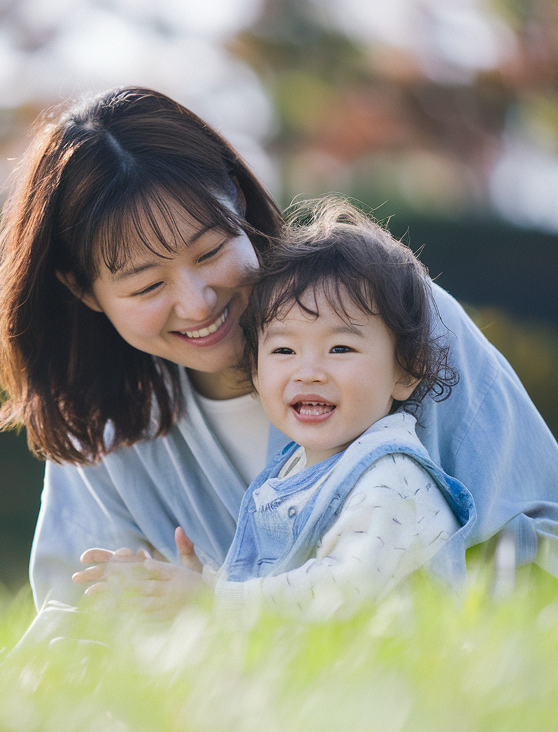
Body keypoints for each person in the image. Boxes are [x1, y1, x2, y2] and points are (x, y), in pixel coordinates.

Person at [0, 87, 558, 635]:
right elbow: (77, 629)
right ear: (84, 291)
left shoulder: (391, 320)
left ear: (238, 201)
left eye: (210, 251)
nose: (197, 302)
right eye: (146, 285)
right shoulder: (99, 423)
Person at [171, 198, 477, 623]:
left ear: (405, 372)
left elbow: (340, 592)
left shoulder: (391, 478)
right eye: (283, 349)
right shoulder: (294, 469)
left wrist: (215, 602)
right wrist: (210, 585)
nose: (308, 371)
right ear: (256, 374)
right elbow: (288, 579)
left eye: (340, 347)